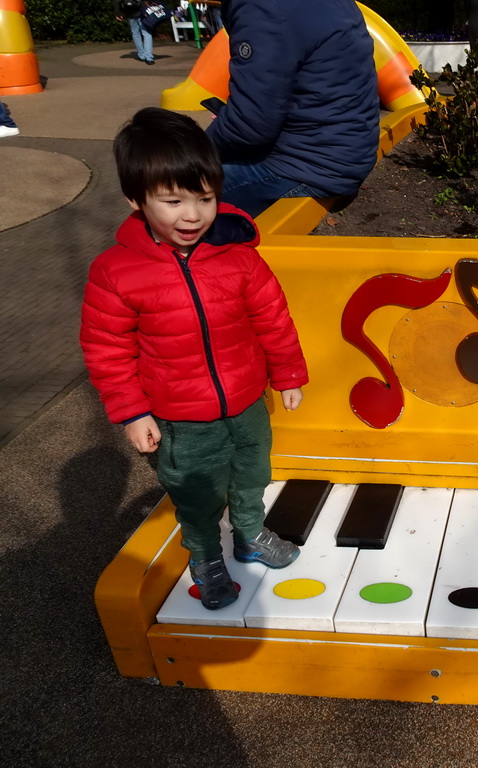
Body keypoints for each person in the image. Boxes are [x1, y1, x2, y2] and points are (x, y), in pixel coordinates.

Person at [80, 107, 309, 610]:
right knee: (197, 495)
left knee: (253, 474)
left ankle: (249, 532)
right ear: (136, 200)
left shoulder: (238, 254)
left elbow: (273, 317)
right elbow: (108, 349)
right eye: (173, 201)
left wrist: (287, 373)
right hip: (180, 417)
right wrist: (132, 411)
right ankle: (206, 557)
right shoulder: (116, 272)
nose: (192, 215)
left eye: (205, 198)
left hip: (246, 400)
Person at [206, 0, 379, 218]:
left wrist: (194, 150)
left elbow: (249, 124)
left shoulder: (263, 8)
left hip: (307, 166)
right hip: (344, 151)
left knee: (164, 193)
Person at [113, 0, 155, 65]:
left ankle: (142, 55)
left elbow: (117, 1)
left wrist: (118, 13)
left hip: (130, 13)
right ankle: (149, 57)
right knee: (147, 33)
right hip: (143, 11)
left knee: (135, 34)